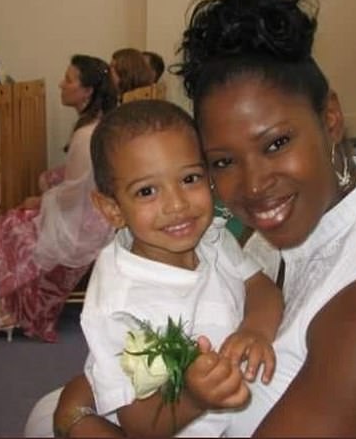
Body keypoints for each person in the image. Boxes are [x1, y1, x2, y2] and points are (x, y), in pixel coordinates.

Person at [34, 0, 356, 437]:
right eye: (222, 162)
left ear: (330, 118)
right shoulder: (288, 229)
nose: (253, 186)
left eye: (276, 144)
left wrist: (78, 418)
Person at [55, 99, 282, 437]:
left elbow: (260, 287)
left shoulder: (212, 237)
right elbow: (138, 424)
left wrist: (255, 330)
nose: (177, 205)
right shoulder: (119, 304)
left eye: (190, 178)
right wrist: (192, 397)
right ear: (112, 209)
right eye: (147, 191)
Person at [0, 55, 117, 343]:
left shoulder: (86, 133)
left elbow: (72, 194)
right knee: (25, 209)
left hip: (87, 222)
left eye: (68, 79)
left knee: (8, 225)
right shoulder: (97, 124)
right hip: (95, 213)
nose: (60, 84)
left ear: (87, 90)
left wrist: (41, 201)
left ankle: (15, 312)